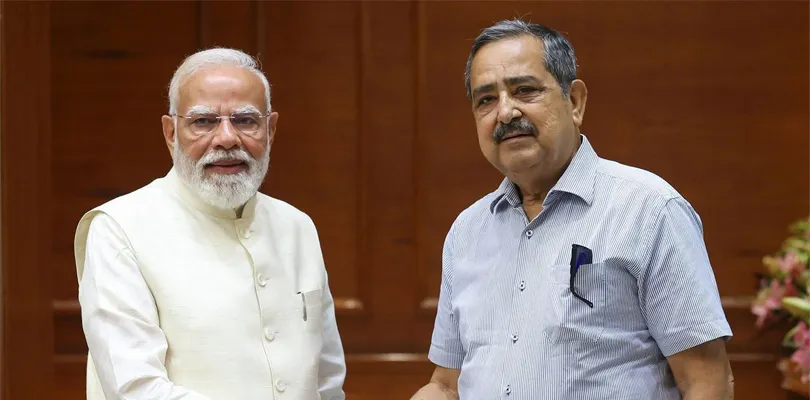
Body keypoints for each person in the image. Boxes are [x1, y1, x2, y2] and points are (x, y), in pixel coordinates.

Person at [411, 19, 733, 399]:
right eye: (486, 100)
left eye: (525, 90)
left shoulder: (649, 211)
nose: (505, 112)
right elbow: (446, 384)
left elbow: (706, 382)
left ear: (575, 101)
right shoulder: (467, 232)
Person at [73, 48, 346, 399]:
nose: (227, 138)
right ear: (171, 133)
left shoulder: (297, 226)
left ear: (271, 129)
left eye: (245, 120)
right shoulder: (119, 229)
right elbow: (136, 390)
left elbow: (326, 383)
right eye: (203, 122)